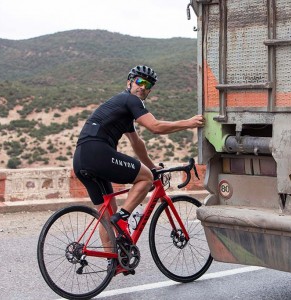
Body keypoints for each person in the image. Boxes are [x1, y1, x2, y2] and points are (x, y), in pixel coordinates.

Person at [73, 65, 204, 241]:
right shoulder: (130, 100)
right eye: (139, 81)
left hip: (81, 159)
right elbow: (155, 127)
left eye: (148, 85)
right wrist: (189, 123)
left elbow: (137, 143)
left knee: (106, 217)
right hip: (98, 152)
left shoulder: (121, 106)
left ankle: (114, 262)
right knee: (145, 178)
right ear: (129, 82)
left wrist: (151, 166)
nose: (143, 87)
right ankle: (124, 216)